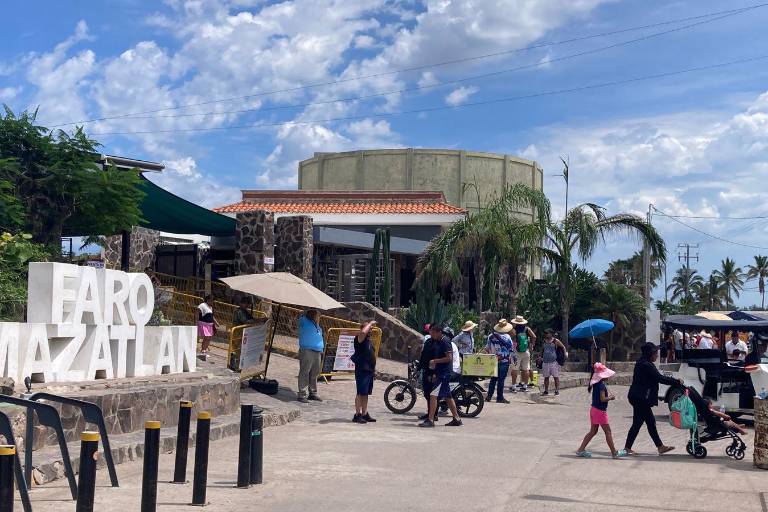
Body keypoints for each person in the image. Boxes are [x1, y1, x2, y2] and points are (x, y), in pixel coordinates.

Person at [624, 342, 683, 455]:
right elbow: (659, 378)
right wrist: (676, 382)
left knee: (650, 422)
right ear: (650, 354)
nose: (657, 355)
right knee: (639, 423)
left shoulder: (642, 363)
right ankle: (628, 448)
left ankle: (659, 446)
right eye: (655, 353)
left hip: (638, 397)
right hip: (640, 398)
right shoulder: (646, 365)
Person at [576, 363, 627, 458]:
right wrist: (610, 397)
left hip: (594, 410)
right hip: (600, 412)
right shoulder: (601, 386)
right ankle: (614, 452)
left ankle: (581, 449)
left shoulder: (596, 384)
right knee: (608, 431)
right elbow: (603, 399)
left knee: (593, 431)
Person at [419, 323, 463, 428]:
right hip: (441, 372)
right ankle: (457, 419)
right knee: (448, 396)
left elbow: (449, 358)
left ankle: (430, 420)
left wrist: (435, 361)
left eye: (433, 332)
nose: (432, 335)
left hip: (444, 373)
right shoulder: (438, 341)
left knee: (433, 395)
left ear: (439, 332)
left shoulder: (445, 342)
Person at [352, 320, 378, 423]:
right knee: (360, 392)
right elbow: (363, 332)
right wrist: (370, 323)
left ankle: (364, 413)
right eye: (369, 328)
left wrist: (374, 369)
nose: (371, 329)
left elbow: (370, 355)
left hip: (369, 370)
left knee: (365, 393)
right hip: (362, 369)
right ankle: (357, 415)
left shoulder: (368, 340)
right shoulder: (360, 338)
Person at [485, 319, 515, 403]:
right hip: (504, 361)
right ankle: (500, 397)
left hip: (493, 360)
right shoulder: (507, 337)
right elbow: (511, 349)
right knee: (501, 380)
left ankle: (489, 396)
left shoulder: (491, 336)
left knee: (493, 379)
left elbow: (487, 348)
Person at [297, 309, 324, 403]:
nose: (315, 314)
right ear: (308, 313)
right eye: (313, 312)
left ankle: (313, 393)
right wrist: (303, 313)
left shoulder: (316, 324)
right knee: (305, 372)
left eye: (316, 313)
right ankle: (302, 394)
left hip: (317, 351)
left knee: (314, 373)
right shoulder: (303, 320)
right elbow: (299, 318)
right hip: (307, 350)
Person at [510, 316, 536, 391]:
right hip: (526, 351)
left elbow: (511, 339)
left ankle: (514, 386)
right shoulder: (527, 329)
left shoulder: (513, 330)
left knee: (515, 369)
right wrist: (531, 345)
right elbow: (534, 336)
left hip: (516, 352)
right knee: (526, 369)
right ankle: (525, 386)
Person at [540, 328, 567, 396]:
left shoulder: (555, 341)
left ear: (551, 333)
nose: (546, 334)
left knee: (556, 377)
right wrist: (540, 356)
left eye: (547, 333)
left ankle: (557, 390)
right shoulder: (544, 341)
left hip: (554, 362)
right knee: (546, 377)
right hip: (545, 362)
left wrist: (565, 353)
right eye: (545, 333)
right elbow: (542, 349)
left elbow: (563, 347)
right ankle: (546, 391)